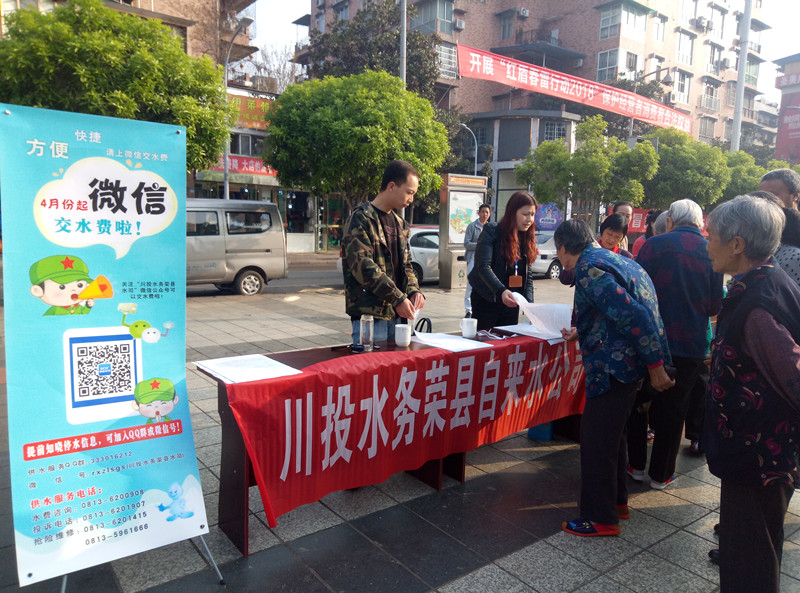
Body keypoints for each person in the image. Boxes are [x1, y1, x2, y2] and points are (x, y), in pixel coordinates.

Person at [703, 195, 800, 593]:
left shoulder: (758, 304)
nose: (707, 243)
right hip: (759, 452)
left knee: (748, 559)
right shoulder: (767, 280)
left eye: (712, 236)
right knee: (758, 549)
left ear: (738, 244)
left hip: (758, 455)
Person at [555, 219, 674, 537]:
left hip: (613, 368)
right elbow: (616, 310)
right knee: (613, 437)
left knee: (596, 442)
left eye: (559, 252)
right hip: (627, 367)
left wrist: (656, 365)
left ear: (564, 248)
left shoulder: (587, 267)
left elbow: (635, 315)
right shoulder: (616, 259)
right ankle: (617, 503)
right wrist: (581, 330)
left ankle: (600, 518)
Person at [632, 199, 723, 489]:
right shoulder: (711, 249)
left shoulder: (653, 245)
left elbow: (636, 291)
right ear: (700, 223)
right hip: (691, 344)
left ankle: (635, 465)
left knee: (639, 402)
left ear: (670, 220)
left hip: (651, 340)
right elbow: (715, 306)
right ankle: (661, 475)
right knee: (675, 410)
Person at [341, 160, 425, 343]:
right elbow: (363, 266)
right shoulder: (361, 219)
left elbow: (407, 266)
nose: (411, 199)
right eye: (409, 192)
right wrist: (398, 298)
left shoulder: (401, 224)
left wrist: (414, 291)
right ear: (392, 186)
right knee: (371, 361)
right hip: (371, 317)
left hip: (399, 317)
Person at [468, 191, 536, 331]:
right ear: (512, 213)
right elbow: (483, 266)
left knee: (507, 339)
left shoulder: (526, 236)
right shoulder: (492, 231)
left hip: (511, 301)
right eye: (525, 214)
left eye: (532, 214)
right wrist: (501, 291)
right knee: (486, 341)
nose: (529, 219)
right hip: (487, 299)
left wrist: (530, 307)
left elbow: (528, 274)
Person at [464, 204, 491, 317]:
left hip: (486, 260)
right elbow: (466, 243)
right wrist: (480, 245)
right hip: (473, 258)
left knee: (486, 283)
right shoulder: (472, 226)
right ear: (478, 213)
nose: (485, 214)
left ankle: (481, 308)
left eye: (487, 212)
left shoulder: (491, 227)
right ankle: (468, 310)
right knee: (471, 284)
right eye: (483, 212)